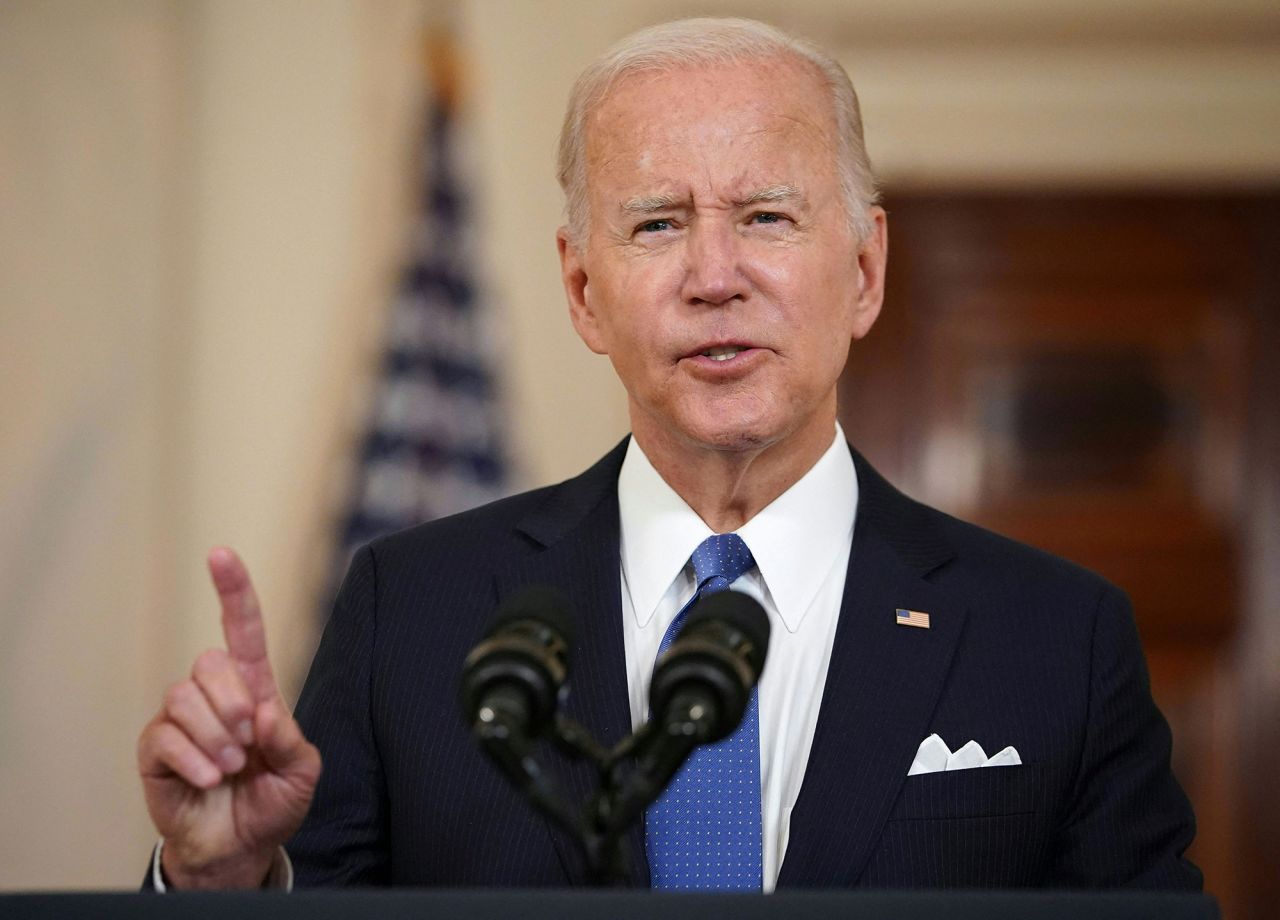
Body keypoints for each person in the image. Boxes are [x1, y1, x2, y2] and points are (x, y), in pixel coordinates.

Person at [136, 17, 1201, 891]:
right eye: (654, 225)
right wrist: (219, 883)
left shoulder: (1055, 637)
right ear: (580, 290)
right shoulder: (407, 611)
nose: (713, 275)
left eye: (766, 215)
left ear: (865, 270)